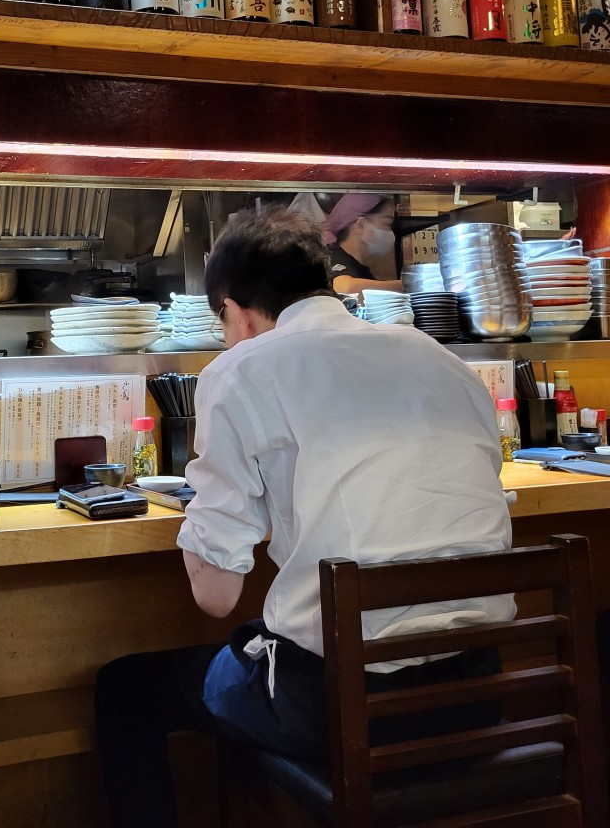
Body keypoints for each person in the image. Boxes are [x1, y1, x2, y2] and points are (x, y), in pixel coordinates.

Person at [94, 207, 513, 828]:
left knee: (128, 688)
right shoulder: (440, 358)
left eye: (223, 324)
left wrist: (212, 501)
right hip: (477, 690)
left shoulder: (239, 371)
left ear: (235, 309)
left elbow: (215, 595)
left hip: (345, 708)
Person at [322, 192, 404, 295]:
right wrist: (408, 286)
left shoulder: (362, 270)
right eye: (386, 224)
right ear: (360, 225)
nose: (390, 232)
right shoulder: (333, 256)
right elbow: (345, 289)